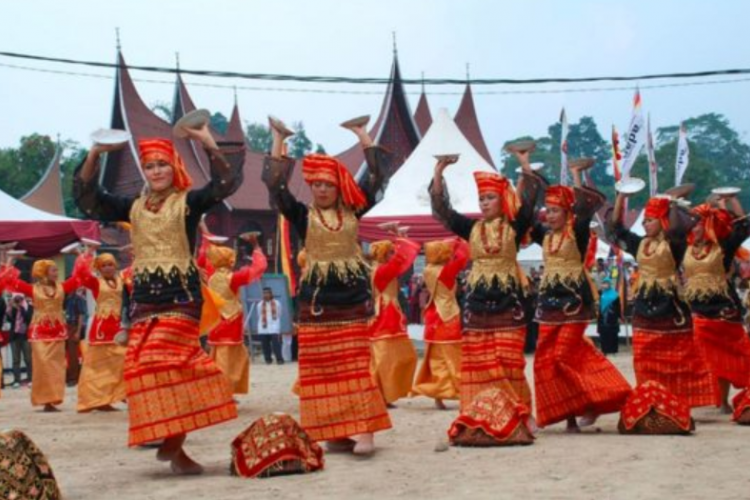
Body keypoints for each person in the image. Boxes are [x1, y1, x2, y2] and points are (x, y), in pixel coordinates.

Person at [73, 120, 243, 474]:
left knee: (165, 362)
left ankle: (174, 440)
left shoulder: (189, 203)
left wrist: (208, 141)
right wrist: (94, 154)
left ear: (174, 167)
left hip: (181, 299)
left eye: (162, 164)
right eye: (149, 166)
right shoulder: (131, 206)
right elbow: (89, 199)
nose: (156, 171)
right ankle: (176, 447)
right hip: (145, 302)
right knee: (140, 368)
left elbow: (225, 184)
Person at [262, 115, 391, 456]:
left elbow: (378, 178)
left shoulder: (353, 210)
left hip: (349, 300)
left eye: (327, 184)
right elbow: (276, 188)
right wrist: (278, 140)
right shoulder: (302, 215)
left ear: (339, 187)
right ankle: (334, 431)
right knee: (320, 368)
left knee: (354, 365)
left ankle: (365, 430)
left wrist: (363, 135)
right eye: (316, 184)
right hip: (316, 302)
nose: (321, 189)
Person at [430, 152, 541, 412]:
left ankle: (520, 410)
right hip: (477, 301)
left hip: (508, 300)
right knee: (479, 358)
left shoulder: (515, 227)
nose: (484, 203)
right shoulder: (471, 228)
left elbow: (529, 201)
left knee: (509, 359)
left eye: (490, 197)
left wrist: (525, 165)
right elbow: (443, 210)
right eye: (481, 198)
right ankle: (482, 409)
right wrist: (438, 172)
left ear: (502, 200)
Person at [529, 163, 631, 432]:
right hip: (549, 306)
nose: (549, 216)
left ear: (567, 213)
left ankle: (598, 400)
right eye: (548, 210)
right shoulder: (545, 237)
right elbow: (524, 216)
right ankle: (571, 417)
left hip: (575, 305)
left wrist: (575, 176)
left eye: (555, 211)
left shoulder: (579, 234)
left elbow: (585, 209)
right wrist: (527, 169)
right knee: (545, 361)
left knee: (562, 357)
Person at [607, 190, 718, 411]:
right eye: (645, 221)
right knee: (643, 359)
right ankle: (650, 402)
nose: (646, 225)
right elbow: (615, 229)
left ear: (663, 221)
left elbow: (677, 229)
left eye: (651, 220)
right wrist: (620, 197)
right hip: (643, 305)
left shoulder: (675, 244)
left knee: (676, 361)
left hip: (670, 306)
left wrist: (672, 203)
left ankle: (676, 404)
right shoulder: (639, 244)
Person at [683, 198, 750, 413]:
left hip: (723, 309)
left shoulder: (723, 247)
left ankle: (723, 401)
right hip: (696, 308)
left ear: (708, 224)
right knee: (704, 355)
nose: (694, 227)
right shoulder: (686, 247)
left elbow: (743, 227)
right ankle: (714, 399)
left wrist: (730, 200)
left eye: (698, 223)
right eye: (692, 224)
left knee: (729, 356)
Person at [0, 260, 80, 411]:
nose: (57, 273)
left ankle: (53, 399)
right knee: (43, 366)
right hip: (39, 333)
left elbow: (77, 279)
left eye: (57, 270)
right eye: (53, 270)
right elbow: (10, 281)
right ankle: (45, 400)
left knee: (57, 367)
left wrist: (82, 256)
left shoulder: (62, 288)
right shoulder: (32, 289)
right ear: (43, 273)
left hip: (57, 332)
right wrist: (8, 262)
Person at [411, 238, 469, 409]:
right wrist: (459, 241)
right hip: (448, 315)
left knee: (436, 356)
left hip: (433, 314)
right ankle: (460, 391)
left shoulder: (428, 270)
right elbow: (463, 257)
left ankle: (438, 393)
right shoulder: (446, 271)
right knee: (454, 355)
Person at [204, 239, 267, 394]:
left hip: (216, 320)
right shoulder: (232, 278)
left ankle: (218, 389)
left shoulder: (210, 276)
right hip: (231, 320)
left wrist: (208, 241)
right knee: (231, 359)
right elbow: (259, 268)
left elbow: (202, 259)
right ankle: (225, 391)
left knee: (217, 356)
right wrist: (257, 247)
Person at [368, 232, 421, 407]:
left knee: (387, 357)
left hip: (386, 311)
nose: (393, 255)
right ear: (383, 254)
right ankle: (381, 394)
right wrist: (400, 239)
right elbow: (401, 259)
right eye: (389, 252)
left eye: (392, 251)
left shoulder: (379, 268)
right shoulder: (382, 270)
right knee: (388, 357)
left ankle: (382, 393)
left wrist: (400, 239)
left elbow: (401, 260)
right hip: (387, 313)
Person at [73, 253, 130, 412]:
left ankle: (116, 394)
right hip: (102, 329)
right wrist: (86, 253)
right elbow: (82, 273)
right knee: (97, 367)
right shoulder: (95, 283)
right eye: (103, 265)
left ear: (115, 266)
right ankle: (98, 400)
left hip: (120, 327)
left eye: (110, 264)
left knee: (123, 360)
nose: (107, 268)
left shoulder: (123, 281)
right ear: (98, 268)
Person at [7, 294, 33, 387]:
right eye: (16, 299)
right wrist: (11, 307)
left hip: (25, 336)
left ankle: (31, 379)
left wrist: (21, 308)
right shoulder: (12, 307)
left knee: (28, 359)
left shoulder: (28, 307)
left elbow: (28, 318)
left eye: (20, 298)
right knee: (16, 359)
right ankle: (16, 380)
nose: (18, 300)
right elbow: (9, 319)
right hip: (14, 336)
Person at [64, 287, 87, 386]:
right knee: (64, 354)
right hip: (64, 326)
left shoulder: (79, 299)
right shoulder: (65, 299)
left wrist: (78, 331)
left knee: (73, 354)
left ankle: (74, 377)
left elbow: (81, 315)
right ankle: (66, 376)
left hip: (73, 326)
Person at [257, 287, 284, 365]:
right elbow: (259, 315)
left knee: (276, 344)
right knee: (265, 344)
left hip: (274, 326)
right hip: (263, 327)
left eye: (268, 293)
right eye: (264, 293)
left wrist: (274, 321)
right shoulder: (259, 304)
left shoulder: (277, 303)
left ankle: (279, 359)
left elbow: (279, 313)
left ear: (271, 294)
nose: (266, 295)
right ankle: (268, 359)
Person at [597, 278, 621, 355]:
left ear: (609, 284)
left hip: (612, 316)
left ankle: (613, 350)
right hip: (602, 316)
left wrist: (619, 316)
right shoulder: (601, 294)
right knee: (603, 333)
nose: (605, 285)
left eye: (606, 283)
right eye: (603, 283)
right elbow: (599, 305)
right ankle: (604, 350)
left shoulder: (615, 295)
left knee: (613, 333)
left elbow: (618, 307)